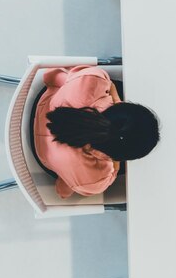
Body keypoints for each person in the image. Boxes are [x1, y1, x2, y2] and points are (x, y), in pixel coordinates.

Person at [33, 66, 159, 199]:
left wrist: (115, 99)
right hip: (41, 154)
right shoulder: (96, 180)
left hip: (43, 105)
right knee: (73, 183)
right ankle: (67, 181)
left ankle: (56, 78)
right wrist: (114, 163)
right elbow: (111, 174)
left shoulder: (92, 79)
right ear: (119, 156)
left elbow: (109, 85)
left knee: (69, 82)